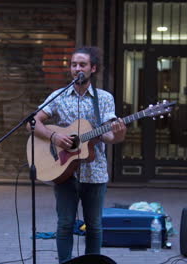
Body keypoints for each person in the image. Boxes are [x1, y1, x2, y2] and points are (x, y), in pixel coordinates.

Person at [30, 46, 127, 263]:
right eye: (74, 65)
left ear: (93, 68)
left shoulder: (103, 98)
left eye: (82, 64)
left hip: (95, 171)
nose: (77, 69)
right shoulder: (58, 96)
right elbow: (33, 122)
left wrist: (119, 134)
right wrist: (54, 138)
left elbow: (109, 136)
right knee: (64, 223)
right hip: (63, 168)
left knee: (94, 225)